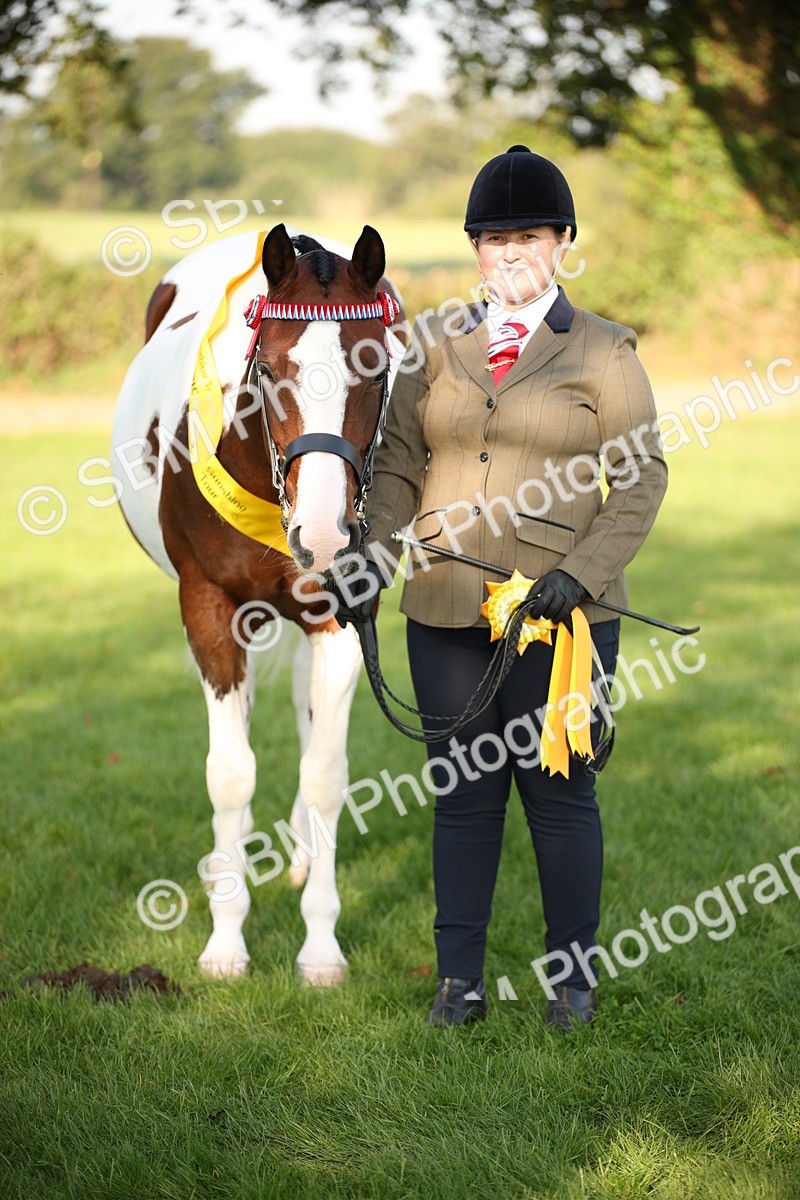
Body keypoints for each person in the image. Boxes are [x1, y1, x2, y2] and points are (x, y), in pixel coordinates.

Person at [336, 145, 668, 1030]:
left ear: (562, 240)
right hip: (444, 602)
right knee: (463, 795)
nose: (509, 252)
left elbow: (639, 481)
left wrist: (578, 576)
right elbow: (400, 466)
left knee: (559, 794)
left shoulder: (603, 350)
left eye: (526, 235)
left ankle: (572, 985)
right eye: (492, 238)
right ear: (475, 248)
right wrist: (372, 551)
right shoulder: (434, 346)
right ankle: (460, 985)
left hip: (561, 618)